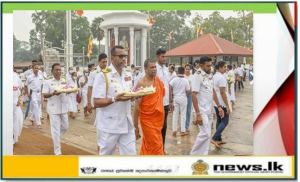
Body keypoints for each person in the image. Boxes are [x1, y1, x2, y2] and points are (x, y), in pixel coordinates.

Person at [92, 45, 136, 155]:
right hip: (109, 125)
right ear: (112, 58)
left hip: (126, 122)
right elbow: (96, 102)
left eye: (125, 56)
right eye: (120, 56)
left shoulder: (128, 74)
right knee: (107, 157)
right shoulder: (103, 75)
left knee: (131, 155)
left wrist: (135, 95)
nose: (124, 59)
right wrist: (115, 99)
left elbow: (129, 93)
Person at [190, 56, 224, 155]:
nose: (210, 67)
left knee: (208, 133)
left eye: (211, 65)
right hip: (201, 109)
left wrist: (219, 106)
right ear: (201, 65)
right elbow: (194, 95)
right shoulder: (197, 76)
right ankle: (194, 154)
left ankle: (203, 154)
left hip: (209, 109)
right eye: (208, 65)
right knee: (205, 133)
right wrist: (198, 114)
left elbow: (212, 91)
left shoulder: (210, 75)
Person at [134, 59, 165, 155]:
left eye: (155, 67)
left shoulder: (158, 80)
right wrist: (136, 126)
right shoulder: (141, 84)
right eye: (152, 67)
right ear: (145, 69)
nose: (154, 69)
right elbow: (137, 106)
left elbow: (162, 95)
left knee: (149, 143)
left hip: (158, 119)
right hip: (147, 120)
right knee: (156, 144)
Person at [42, 63, 70, 155]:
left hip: (63, 107)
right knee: (55, 130)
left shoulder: (64, 80)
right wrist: (53, 93)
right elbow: (44, 94)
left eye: (59, 70)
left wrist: (69, 91)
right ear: (52, 71)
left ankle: (56, 138)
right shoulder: (48, 82)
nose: (58, 71)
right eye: (56, 70)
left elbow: (67, 90)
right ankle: (58, 152)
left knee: (65, 127)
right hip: (53, 108)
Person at [211, 61, 231, 145]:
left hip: (216, 101)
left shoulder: (215, 76)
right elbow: (222, 92)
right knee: (225, 121)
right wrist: (227, 105)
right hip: (221, 101)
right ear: (219, 67)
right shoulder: (221, 78)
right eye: (224, 67)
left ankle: (219, 138)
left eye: (226, 67)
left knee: (219, 120)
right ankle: (215, 137)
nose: (225, 69)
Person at [155, 48, 169, 154]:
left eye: (165, 56)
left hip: (166, 102)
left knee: (164, 127)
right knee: (157, 127)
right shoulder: (154, 69)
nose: (164, 58)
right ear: (157, 57)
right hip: (157, 103)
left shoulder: (166, 69)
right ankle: (157, 149)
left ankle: (162, 149)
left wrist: (171, 101)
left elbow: (168, 86)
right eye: (162, 56)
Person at [170, 67, 190, 137]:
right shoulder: (186, 80)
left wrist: (171, 98)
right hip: (183, 97)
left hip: (175, 97)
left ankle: (174, 130)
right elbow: (188, 91)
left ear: (177, 72)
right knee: (183, 115)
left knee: (175, 114)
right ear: (184, 72)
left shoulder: (174, 80)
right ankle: (182, 131)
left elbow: (170, 86)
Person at [24, 64, 44, 129]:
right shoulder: (30, 77)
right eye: (35, 68)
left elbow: (42, 85)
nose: (36, 69)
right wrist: (27, 93)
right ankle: (39, 123)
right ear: (32, 69)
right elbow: (26, 86)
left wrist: (42, 92)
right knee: (36, 107)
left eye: (37, 68)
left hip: (39, 93)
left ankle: (32, 118)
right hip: (33, 93)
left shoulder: (41, 76)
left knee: (37, 107)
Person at [13, 65, 24, 145]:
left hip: (16, 102)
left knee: (19, 121)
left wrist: (19, 99)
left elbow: (21, 88)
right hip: (5, 103)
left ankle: (14, 138)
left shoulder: (16, 77)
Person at [184, 64, 193, 132]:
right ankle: (182, 125)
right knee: (183, 110)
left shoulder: (192, 77)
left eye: (188, 69)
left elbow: (193, 86)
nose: (187, 70)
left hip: (189, 95)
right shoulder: (182, 76)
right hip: (183, 94)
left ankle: (187, 126)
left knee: (188, 110)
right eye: (186, 69)